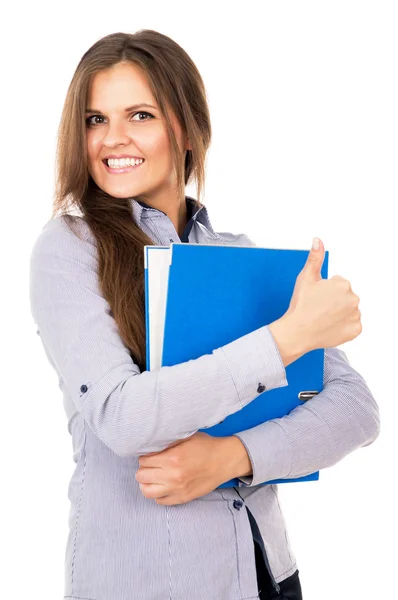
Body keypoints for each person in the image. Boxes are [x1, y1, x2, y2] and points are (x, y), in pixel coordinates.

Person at [29, 29, 380, 600]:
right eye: (95, 119)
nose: (111, 139)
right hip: (145, 585)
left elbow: (354, 410)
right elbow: (121, 415)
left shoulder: (238, 256)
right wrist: (286, 339)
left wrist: (233, 457)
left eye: (139, 115)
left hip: (268, 576)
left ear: (187, 129)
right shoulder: (69, 247)